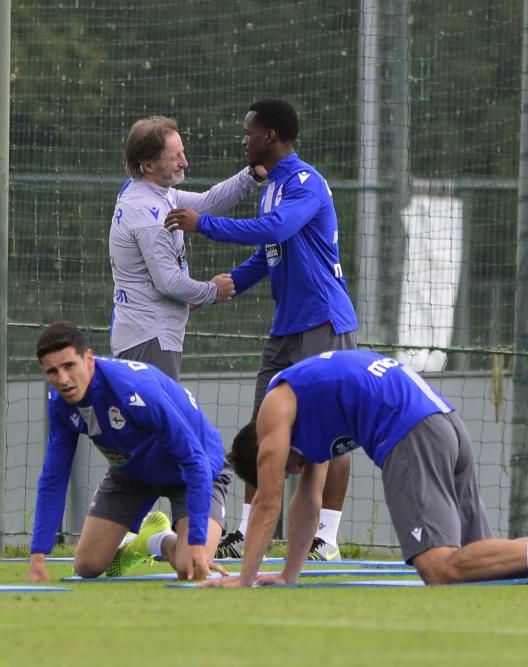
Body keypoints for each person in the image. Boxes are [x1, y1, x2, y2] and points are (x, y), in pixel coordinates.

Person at [203, 350, 528, 587]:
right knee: (485, 564)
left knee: (438, 568)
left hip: (410, 433)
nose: (292, 471)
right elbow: (308, 502)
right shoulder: (310, 417)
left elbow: (268, 503)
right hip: (445, 423)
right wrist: (287, 575)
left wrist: (244, 581)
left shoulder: (274, 410)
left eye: (284, 467)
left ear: (266, 450)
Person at [164, 98, 359, 561]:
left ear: (270, 136)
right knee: (261, 428)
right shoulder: (271, 186)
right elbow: (268, 255)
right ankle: (251, 532)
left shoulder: (306, 183)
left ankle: (325, 540)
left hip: (324, 322)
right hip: (285, 328)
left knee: (328, 432)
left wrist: (205, 224)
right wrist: (212, 291)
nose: (244, 139)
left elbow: (275, 226)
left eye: (249, 132)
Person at [26, 321, 231, 583]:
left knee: (189, 567)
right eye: (53, 371)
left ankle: (163, 543)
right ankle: (150, 540)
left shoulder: (134, 390)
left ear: (89, 359)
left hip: (196, 468)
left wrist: (198, 542)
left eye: (69, 366)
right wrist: (38, 557)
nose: (63, 379)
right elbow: (54, 476)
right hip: (135, 471)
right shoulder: (60, 404)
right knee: (87, 565)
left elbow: (194, 460)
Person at [110, 115, 267, 380]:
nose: (185, 162)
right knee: (157, 420)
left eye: (182, 152)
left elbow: (208, 202)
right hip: (151, 339)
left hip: (151, 336)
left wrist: (252, 175)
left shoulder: (153, 192)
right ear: (147, 165)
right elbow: (169, 283)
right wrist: (211, 291)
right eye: (175, 157)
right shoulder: (149, 215)